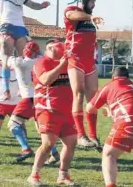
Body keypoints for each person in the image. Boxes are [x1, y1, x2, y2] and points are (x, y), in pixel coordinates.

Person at [86, 67, 133, 187]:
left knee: (108, 154)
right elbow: (131, 103)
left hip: (129, 120)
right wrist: (111, 110)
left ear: (113, 77)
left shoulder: (109, 85)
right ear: (128, 78)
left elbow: (89, 109)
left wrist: (92, 134)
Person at [64, 0, 104, 149]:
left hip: (89, 61)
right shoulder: (73, 10)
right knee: (78, 94)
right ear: (84, 2)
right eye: (91, 3)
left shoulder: (87, 7)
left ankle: (94, 136)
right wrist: (91, 17)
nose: (93, 5)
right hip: (75, 60)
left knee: (93, 97)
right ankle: (80, 135)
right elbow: (72, 14)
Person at [27, 39, 77, 186]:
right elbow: (45, 80)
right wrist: (61, 65)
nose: (62, 49)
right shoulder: (42, 62)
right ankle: (34, 175)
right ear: (49, 48)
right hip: (47, 109)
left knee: (71, 143)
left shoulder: (68, 62)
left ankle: (63, 175)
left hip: (67, 111)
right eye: (58, 47)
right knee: (48, 143)